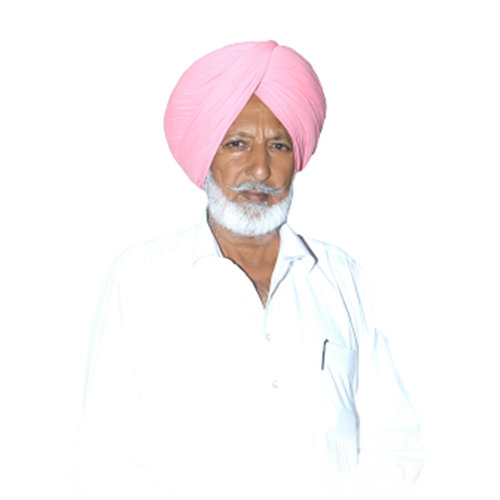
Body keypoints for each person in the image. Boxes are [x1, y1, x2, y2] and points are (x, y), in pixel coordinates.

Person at [68, 41, 426, 499]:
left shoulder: (340, 277)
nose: (260, 169)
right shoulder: (140, 276)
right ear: (207, 155)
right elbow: (104, 456)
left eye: (278, 145)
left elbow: (394, 441)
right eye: (237, 144)